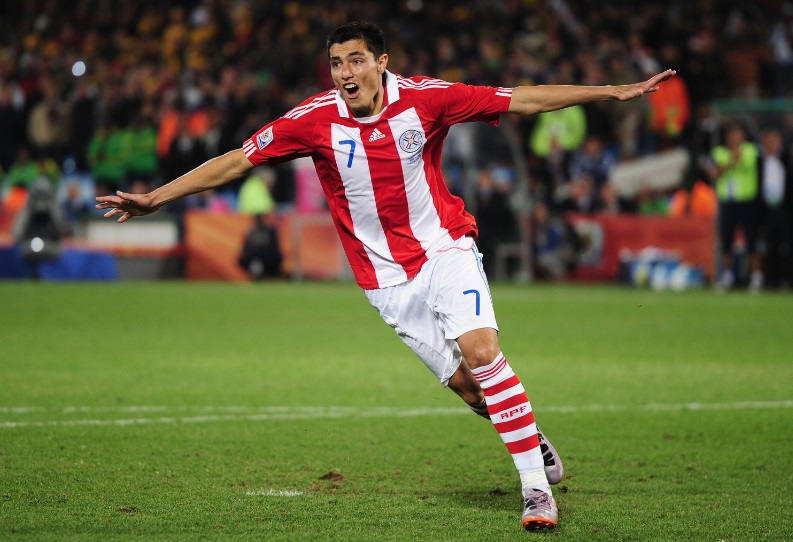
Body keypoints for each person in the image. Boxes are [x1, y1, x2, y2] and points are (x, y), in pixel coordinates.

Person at [97, 21, 675, 531]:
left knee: (482, 351)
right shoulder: (313, 120)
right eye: (335, 63)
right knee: (471, 389)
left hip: (444, 248)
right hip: (386, 282)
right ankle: (532, 437)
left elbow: (520, 98)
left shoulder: (427, 99)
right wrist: (156, 198)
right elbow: (235, 161)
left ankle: (535, 490)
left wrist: (609, 92)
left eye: (355, 60)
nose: (345, 73)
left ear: (381, 62)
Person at [706, 123, 763, 290]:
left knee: (751, 240)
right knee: (726, 241)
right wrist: (731, 161)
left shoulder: (751, 150)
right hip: (727, 201)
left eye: (738, 134)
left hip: (747, 201)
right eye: (732, 134)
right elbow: (714, 173)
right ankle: (727, 275)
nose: (735, 137)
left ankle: (756, 276)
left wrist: (730, 162)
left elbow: (748, 164)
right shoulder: (719, 152)